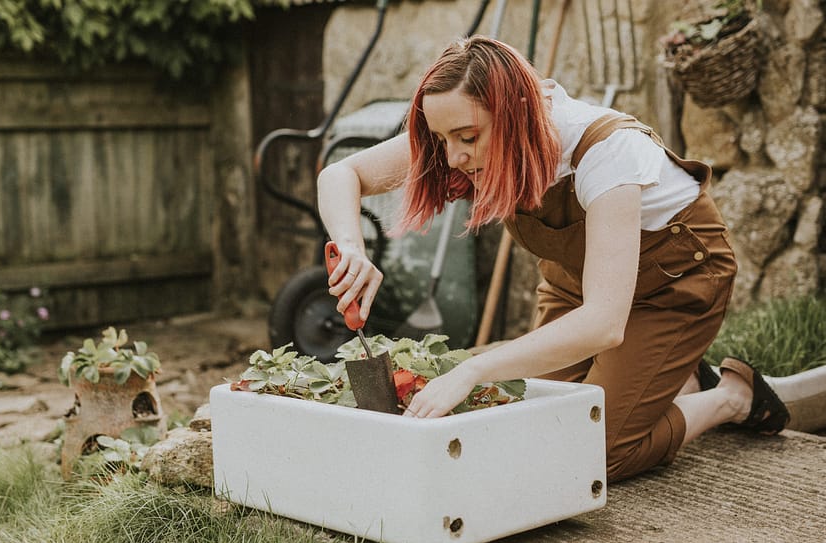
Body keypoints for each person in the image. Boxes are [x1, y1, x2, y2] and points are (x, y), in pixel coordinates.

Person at [317, 35, 789, 482]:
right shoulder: (463, 130)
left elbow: (604, 323)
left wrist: (475, 367)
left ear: (515, 113)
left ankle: (731, 395)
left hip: (674, 285)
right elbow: (341, 174)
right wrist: (352, 247)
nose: (453, 157)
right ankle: (671, 375)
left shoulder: (605, 151)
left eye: (466, 137)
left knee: (591, 450)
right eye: (442, 139)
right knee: (520, 422)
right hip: (576, 284)